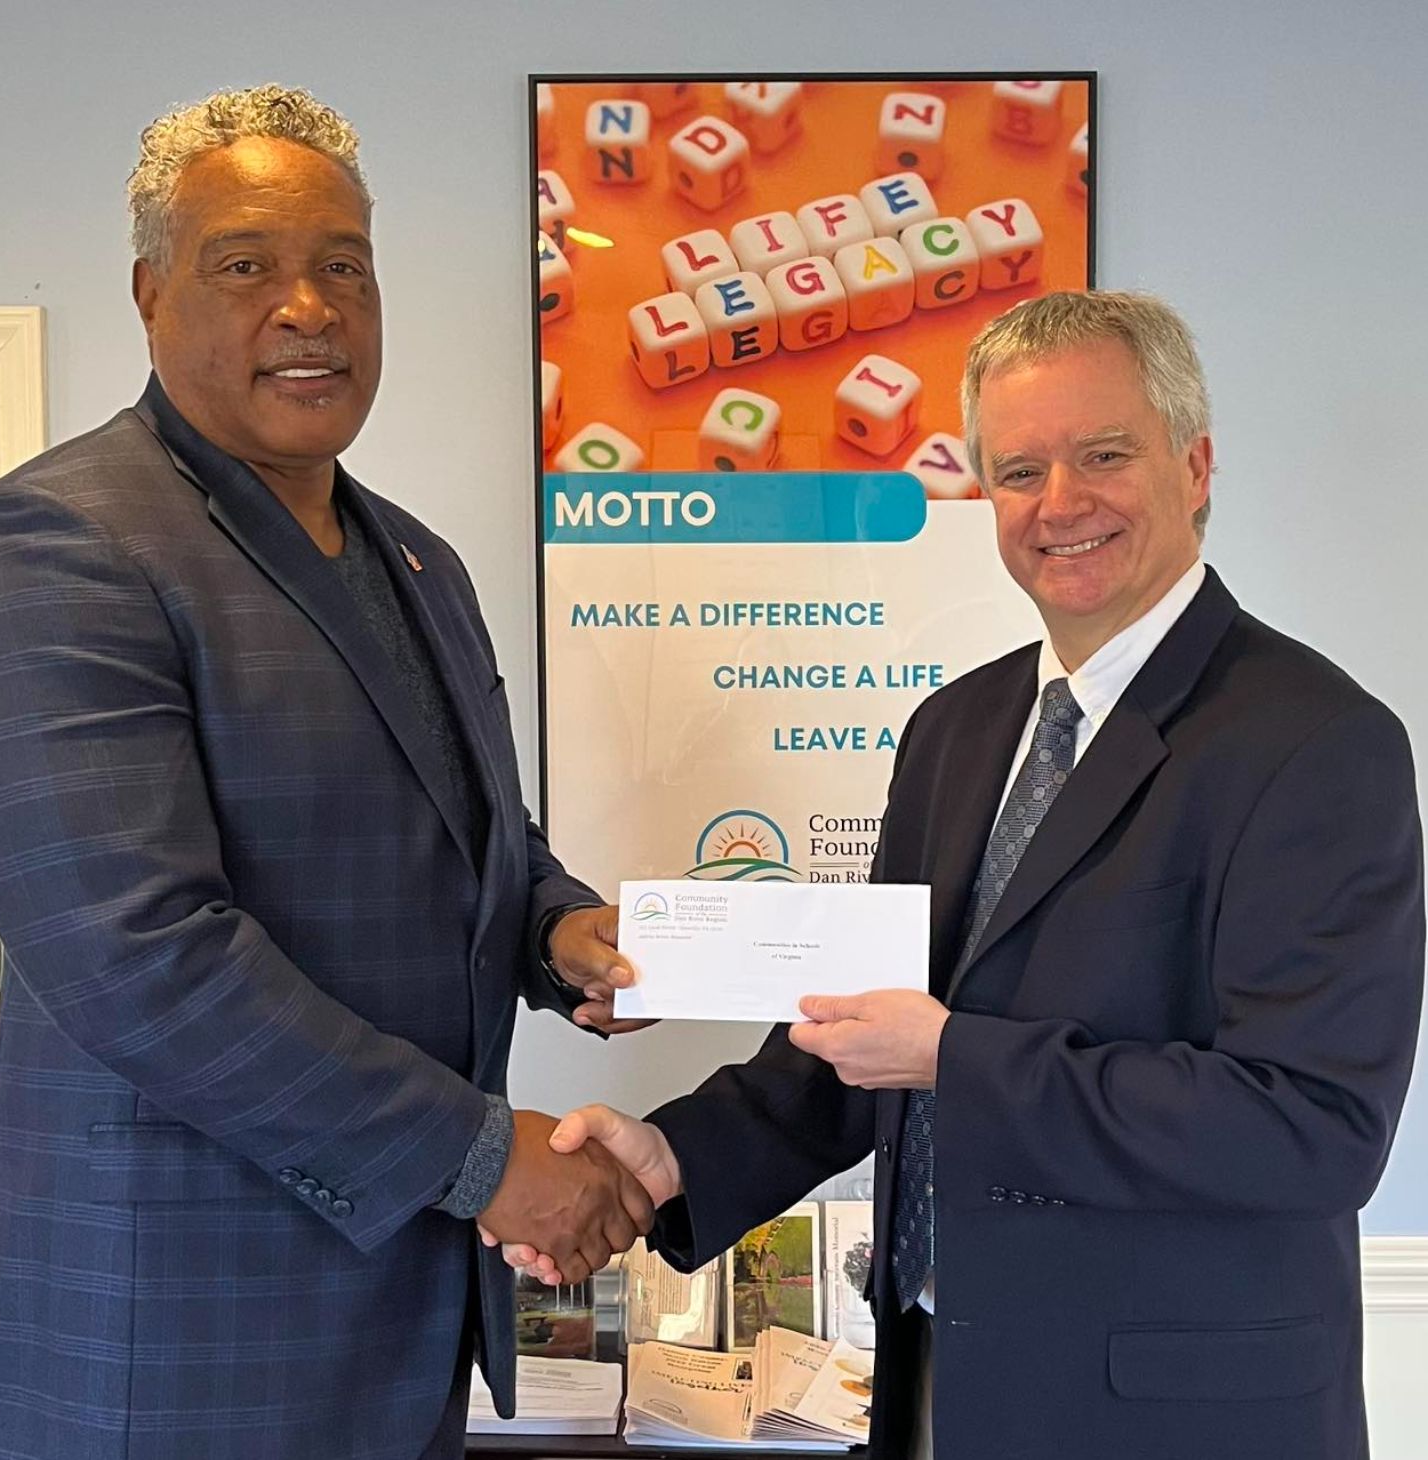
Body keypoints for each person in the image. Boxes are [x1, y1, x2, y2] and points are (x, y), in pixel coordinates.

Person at [506, 292, 1425, 1459]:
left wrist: (956, 1055)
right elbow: (863, 1036)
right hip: (942, 1382)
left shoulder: (1316, 741)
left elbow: (1308, 1127)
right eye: (1019, 470)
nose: (1059, 502)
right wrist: (674, 1155)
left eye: (1103, 455)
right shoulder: (956, 727)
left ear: (1193, 466)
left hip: (1177, 1416)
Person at [0, 85, 648, 1460]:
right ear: (151, 293)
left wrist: (556, 927)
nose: (309, 307)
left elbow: (464, 833)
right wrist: (484, 1157)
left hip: (397, 1318)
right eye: (247, 266)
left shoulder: (418, 561)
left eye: (345, 266)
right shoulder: (56, 546)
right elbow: (139, 956)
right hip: (182, 1345)